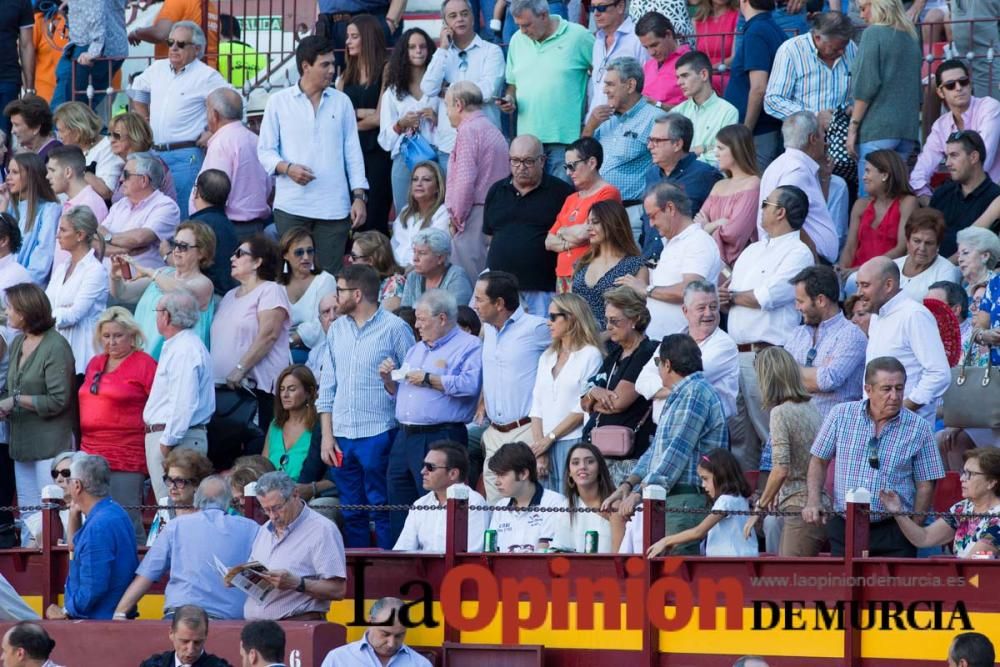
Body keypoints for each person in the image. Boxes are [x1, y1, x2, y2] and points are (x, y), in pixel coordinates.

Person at [803, 357, 945, 557]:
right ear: (868, 390)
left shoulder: (919, 428)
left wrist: (914, 526)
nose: (894, 396)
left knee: (893, 587)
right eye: (886, 389)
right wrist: (813, 500)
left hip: (894, 527)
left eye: (899, 388)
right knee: (846, 586)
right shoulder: (841, 415)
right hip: (846, 524)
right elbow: (819, 460)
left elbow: (926, 483)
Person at [602, 334, 728, 555]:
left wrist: (639, 493)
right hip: (673, 498)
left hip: (687, 499)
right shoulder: (684, 393)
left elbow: (676, 451)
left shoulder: (694, 393)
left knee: (677, 576)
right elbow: (657, 450)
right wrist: (627, 485)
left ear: (667, 365)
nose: (658, 368)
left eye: (657, 363)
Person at [318, 264, 414, 548]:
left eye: (340, 291)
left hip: (380, 430)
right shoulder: (336, 330)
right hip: (342, 435)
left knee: (381, 505)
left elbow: (410, 383)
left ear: (357, 294)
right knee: (351, 510)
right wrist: (327, 434)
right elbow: (327, 386)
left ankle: (387, 573)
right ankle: (358, 576)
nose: (336, 298)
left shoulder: (396, 328)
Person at [721, 185, 814, 471]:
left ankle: (786, 502)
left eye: (765, 204)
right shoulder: (752, 250)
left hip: (769, 355)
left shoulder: (799, 252)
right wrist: (727, 299)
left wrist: (734, 297)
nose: (760, 209)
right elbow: (732, 297)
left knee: (772, 436)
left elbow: (768, 297)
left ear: (780, 211)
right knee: (739, 441)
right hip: (736, 353)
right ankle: (746, 506)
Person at [260, 36, 368, 276]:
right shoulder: (278, 102)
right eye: (325, 65)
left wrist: (359, 195)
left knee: (329, 276)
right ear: (305, 66)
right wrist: (287, 168)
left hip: (334, 208)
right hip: (292, 206)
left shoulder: (342, 102)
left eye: (333, 64)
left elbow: (353, 152)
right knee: (292, 275)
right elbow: (265, 150)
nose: (332, 70)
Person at [382, 289, 482, 540]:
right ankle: (404, 561)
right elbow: (402, 393)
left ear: (442, 318)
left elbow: (469, 385)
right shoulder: (416, 349)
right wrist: (388, 379)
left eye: (422, 319)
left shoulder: (469, 345)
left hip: (440, 435)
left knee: (438, 503)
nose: (416, 325)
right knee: (399, 501)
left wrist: (429, 379)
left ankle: (443, 559)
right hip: (405, 434)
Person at [114, 477, 260, 621]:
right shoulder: (251, 528)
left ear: (197, 499)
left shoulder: (176, 526)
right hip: (229, 621)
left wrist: (120, 613)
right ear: (228, 501)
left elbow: (147, 575)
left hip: (181, 617)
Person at [128, 21, 228, 218]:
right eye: (170, 42)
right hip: (155, 154)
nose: (173, 48)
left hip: (186, 155)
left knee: (182, 213)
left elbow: (235, 102)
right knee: (152, 212)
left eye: (181, 44)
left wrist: (213, 131)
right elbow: (137, 88)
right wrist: (143, 119)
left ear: (197, 49)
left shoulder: (206, 76)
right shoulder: (158, 68)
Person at [1, 283, 75, 544]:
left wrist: (16, 400)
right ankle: (32, 568)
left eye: (11, 308)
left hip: (50, 445)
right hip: (23, 444)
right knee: (30, 515)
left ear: (26, 311)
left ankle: (55, 573)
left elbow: (59, 399)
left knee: (53, 513)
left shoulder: (56, 346)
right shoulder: (19, 341)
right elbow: (11, 387)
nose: (7, 312)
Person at [78, 307, 156, 543]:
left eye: (118, 335)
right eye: (106, 336)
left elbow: (159, 404)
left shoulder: (144, 363)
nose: (111, 341)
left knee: (126, 517)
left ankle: (138, 572)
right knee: (92, 516)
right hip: (90, 452)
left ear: (132, 335)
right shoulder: (95, 362)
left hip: (126, 453)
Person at [474, 271, 551, 502]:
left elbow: (581, 338)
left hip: (526, 430)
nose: (474, 305)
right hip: (494, 431)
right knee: (495, 510)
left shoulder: (537, 328)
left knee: (530, 505)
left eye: (479, 299)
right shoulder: (487, 328)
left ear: (499, 304)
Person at [744, 347, 826, 556]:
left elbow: (781, 468)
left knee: (789, 581)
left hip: (798, 507)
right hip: (814, 504)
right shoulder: (811, 406)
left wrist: (758, 509)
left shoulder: (780, 412)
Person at [502, 0, 594, 182]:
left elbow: (602, 73)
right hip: (528, 144)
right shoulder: (516, 40)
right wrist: (509, 99)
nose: (522, 31)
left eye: (527, 25)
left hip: (566, 141)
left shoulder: (578, 36)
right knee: (532, 204)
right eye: (519, 25)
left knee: (562, 200)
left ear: (544, 15)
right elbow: (512, 84)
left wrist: (589, 120)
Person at [211, 236, 291, 439]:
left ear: (258, 261)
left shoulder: (271, 290)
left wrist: (240, 368)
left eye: (240, 254)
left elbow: (269, 334)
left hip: (257, 391)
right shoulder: (229, 296)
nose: (231, 258)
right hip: (225, 390)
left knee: (255, 452)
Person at [484, 135, 574, 315]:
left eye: (528, 161)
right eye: (515, 161)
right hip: (499, 290)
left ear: (542, 161)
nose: (521, 167)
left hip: (541, 289)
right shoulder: (496, 190)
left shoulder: (562, 193)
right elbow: (490, 236)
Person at [858, 255, 951, 425]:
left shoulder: (914, 315)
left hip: (908, 428)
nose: (859, 293)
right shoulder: (876, 317)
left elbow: (939, 374)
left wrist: (901, 409)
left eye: (865, 285)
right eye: (858, 285)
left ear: (888, 285)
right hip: (875, 423)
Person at [580, 286, 658, 485]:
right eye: (607, 320)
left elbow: (618, 402)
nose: (608, 327)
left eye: (615, 321)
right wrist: (595, 392)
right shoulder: (614, 354)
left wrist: (595, 398)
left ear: (635, 320)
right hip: (602, 452)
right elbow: (584, 402)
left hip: (630, 457)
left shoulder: (647, 352)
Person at [636, 280, 740, 430]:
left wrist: (657, 390)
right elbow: (641, 381)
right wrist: (675, 388)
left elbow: (691, 381)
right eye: (701, 308)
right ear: (685, 311)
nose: (708, 313)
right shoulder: (672, 339)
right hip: (665, 428)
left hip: (705, 431)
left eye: (713, 307)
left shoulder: (724, 345)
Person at [44, 454, 137, 619]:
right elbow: (75, 547)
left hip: (98, 623)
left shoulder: (98, 526)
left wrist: (66, 611)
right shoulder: (116, 512)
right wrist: (74, 514)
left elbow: (93, 588)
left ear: (77, 486)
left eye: (69, 479)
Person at [244, 472, 346, 621]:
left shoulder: (322, 530)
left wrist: (297, 583)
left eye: (277, 507)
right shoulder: (265, 529)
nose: (272, 516)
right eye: (266, 510)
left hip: (297, 626)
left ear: (295, 495)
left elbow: (338, 590)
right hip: (258, 629)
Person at [527, 293, 603, 492]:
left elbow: (583, 405)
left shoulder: (590, 355)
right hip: (544, 444)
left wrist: (549, 439)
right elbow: (537, 405)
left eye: (553, 317)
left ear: (571, 318)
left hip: (574, 441)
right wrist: (539, 448)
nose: (548, 322)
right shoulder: (547, 356)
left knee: (571, 504)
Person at [144, 289, 215, 502]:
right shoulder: (181, 345)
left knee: (175, 509)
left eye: (157, 311)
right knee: (172, 509)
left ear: (166, 316)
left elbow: (184, 402)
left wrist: (166, 443)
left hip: (176, 439)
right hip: (175, 437)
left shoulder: (184, 349)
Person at [847, 0, 921, 198]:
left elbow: (865, 86)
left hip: (877, 128)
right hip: (907, 130)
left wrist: (853, 127)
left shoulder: (874, 34)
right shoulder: (911, 36)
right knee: (895, 200)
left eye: (864, 8)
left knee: (869, 202)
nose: (862, 15)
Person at [112, 221, 215, 359]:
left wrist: (150, 273)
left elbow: (182, 292)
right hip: (141, 357)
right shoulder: (163, 272)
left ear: (202, 252)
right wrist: (115, 277)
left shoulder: (204, 283)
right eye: (175, 244)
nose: (176, 250)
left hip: (176, 360)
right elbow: (123, 293)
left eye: (183, 246)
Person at [635, 182, 721, 341]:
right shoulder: (673, 243)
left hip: (684, 347)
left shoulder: (697, 241)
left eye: (653, 216)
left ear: (670, 208)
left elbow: (689, 290)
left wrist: (646, 289)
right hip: (661, 343)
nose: (651, 224)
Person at [587, 57, 664, 233]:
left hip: (630, 215)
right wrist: (590, 126)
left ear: (630, 85)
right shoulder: (602, 118)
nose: (605, 90)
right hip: (597, 212)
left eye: (610, 84)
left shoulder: (655, 118)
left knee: (629, 262)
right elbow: (582, 157)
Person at [443, 81, 509, 282]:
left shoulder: (468, 130)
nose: (446, 113)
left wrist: (457, 218)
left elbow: (464, 181)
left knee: (468, 281)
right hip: (493, 211)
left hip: (472, 214)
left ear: (459, 104)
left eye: (447, 106)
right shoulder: (492, 128)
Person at [379, 27, 449, 214]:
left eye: (423, 46)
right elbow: (385, 142)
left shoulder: (440, 87)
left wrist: (435, 119)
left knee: (441, 212)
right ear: (404, 52)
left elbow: (453, 127)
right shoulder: (392, 93)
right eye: (412, 47)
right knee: (405, 213)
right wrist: (401, 124)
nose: (418, 50)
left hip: (436, 156)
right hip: (405, 156)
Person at [882, 448, 1000, 558]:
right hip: (965, 577)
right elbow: (925, 538)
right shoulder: (963, 508)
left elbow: (976, 560)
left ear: (991, 482)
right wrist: (898, 513)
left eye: (970, 474)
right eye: (963, 472)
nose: (962, 478)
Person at [910, 60, 1000, 201]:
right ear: (940, 92)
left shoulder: (989, 107)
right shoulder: (941, 126)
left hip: (994, 195)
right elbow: (919, 174)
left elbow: (983, 162)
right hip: (961, 197)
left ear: (969, 84)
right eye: (950, 85)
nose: (958, 88)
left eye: (963, 82)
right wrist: (932, 206)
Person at [756, 111, 839, 263]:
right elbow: (784, 218)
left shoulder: (784, 164)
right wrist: (813, 257)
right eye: (822, 135)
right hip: (804, 260)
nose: (826, 142)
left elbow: (815, 211)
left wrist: (824, 177)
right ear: (812, 139)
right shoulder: (797, 171)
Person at [784, 266, 867, 419]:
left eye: (800, 301)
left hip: (830, 433)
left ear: (821, 300)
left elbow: (827, 381)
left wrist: (789, 370)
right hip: (794, 427)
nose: (797, 307)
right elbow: (778, 378)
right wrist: (816, 372)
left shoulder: (852, 335)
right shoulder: (798, 333)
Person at [190, 88, 271, 237]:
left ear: (214, 115)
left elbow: (212, 191)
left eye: (206, 110)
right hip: (256, 225)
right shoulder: (255, 140)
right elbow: (269, 185)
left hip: (227, 227)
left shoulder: (222, 142)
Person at [647, 447, 757, 557]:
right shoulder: (740, 499)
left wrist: (666, 541)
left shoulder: (725, 501)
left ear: (721, 476)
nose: (703, 485)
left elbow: (699, 532)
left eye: (705, 479)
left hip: (729, 564)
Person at [546, 138, 621, 294]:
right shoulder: (571, 199)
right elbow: (548, 241)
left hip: (589, 275)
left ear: (592, 163)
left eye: (572, 166)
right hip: (563, 276)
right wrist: (571, 237)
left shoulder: (608, 193)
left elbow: (589, 232)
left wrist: (562, 231)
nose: (568, 172)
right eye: (566, 167)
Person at [338, 16, 391, 236]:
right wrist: (363, 113)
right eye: (347, 37)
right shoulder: (344, 75)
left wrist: (352, 116)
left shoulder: (386, 69)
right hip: (350, 151)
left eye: (354, 37)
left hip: (377, 151)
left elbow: (381, 118)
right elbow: (338, 118)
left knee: (375, 213)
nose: (348, 42)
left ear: (367, 38)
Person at [641, 114, 722, 252]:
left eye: (656, 141)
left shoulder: (706, 175)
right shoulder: (651, 174)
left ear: (677, 144)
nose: (650, 146)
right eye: (650, 140)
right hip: (648, 262)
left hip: (685, 261)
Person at [421, 0, 505, 130]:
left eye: (464, 14)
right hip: (448, 142)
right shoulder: (441, 55)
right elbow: (428, 88)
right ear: (445, 23)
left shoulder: (492, 51)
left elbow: (487, 92)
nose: (460, 19)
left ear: (472, 17)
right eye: (453, 16)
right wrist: (443, 48)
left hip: (484, 139)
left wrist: (448, 90)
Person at [723, 0, 786, 170]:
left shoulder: (757, 31)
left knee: (756, 189)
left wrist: (746, 131)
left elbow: (758, 88)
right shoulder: (770, 27)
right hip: (764, 129)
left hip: (758, 133)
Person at [45, 207, 108, 377]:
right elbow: (47, 305)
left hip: (82, 355)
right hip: (56, 351)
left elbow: (75, 314)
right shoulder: (61, 268)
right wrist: (61, 310)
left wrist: (49, 315)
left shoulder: (95, 271)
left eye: (63, 230)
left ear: (80, 235)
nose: (58, 235)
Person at [393, 440, 489, 552]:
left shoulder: (474, 502)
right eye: (423, 465)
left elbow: (473, 553)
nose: (422, 471)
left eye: (430, 467)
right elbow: (403, 550)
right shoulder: (420, 504)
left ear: (453, 473)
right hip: (425, 569)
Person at [762, 12, 857, 125]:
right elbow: (773, 101)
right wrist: (814, 116)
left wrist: (853, 107)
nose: (842, 52)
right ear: (817, 38)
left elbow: (857, 91)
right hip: (805, 133)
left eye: (844, 47)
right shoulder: (791, 50)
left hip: (842, 132)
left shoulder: (851, 47)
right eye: (835, 49)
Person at [99, 152, 181, 271]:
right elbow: (94, 240)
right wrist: (125, 250)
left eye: (126, 174)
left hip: (142, 283)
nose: (121, 179)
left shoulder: (166, 206)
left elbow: (139, 238)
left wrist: (107, 237)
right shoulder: (119, 205)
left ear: (143, 180)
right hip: (108, 279)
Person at [571, 201, 647, 329]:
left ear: (612, 223)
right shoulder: (582, 262)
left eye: (595, 222)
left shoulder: (636, 265)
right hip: (579, 339)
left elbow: (638, 313)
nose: (589, 228)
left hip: (615, 341)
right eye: (588, 223)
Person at [838, 150, 915, 274]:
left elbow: (902, 247)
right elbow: (850, 247)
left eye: (868, 171)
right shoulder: (860, 205)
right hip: (856, 275)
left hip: (889, 274)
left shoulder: (907, 203)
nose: (864, 177)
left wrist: (862, 270)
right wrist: (842, 270)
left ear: (885, 175)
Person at [929, 130, 1000, 259]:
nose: (947, 163)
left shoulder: (996, 198)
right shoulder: (942, 193)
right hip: (931, 270)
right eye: (947, 156)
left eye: (954, 155)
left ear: (973, 157)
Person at [696, 124, 760, 266]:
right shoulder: (719, 185)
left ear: (737, 150)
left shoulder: (753, 184)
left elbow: (734, 233)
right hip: (709, 259)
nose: (716, 154)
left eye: (720, 148)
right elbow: (696, 225)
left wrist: (707, 227)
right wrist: (717, 224)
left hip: (736, 267)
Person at [487, 441, 566, 552]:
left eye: (502, 474)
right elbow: (492, 553)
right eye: (496, 475)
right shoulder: (500, 506)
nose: (497, 482)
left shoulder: (555, 502)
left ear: (523, 474)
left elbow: (545, 553)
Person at [50, 0, 126, 109]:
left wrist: (95, 49)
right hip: (112, 45)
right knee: (82, 109)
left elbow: (94, 6)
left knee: (67, 110)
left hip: (90, 47)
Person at [278, 228, 336, 363]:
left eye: (310, 251)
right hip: (280, 346)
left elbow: (320, 323)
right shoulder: (277, 284)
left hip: (313, 350)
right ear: (285, 255)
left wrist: (289, 341)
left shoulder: (325, 280)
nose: (305, 257)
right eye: (299, 252)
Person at [1, 152, 60, 285]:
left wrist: (21, 287)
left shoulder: (49, 209)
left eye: (15, 172)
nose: (8, 177)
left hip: (25, 289)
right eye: (8, 171)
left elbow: (43, 255)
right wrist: (3, 207)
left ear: (31, 175)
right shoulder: (9, 205)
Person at [320, 597, 432, 667]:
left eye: (399, 635)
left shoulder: (421, 664)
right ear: (370, 622)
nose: (391, 643)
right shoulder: (338, 659)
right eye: (385, 634)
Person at [674, 50, 739, 168]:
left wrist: (687, 155)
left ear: (704, 74)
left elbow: (721, 158)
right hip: (678, 180)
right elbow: (669, 155)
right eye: (678, 77)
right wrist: (703, 149)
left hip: (712, 179)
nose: (679, 82)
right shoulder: (677, 112)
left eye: (685, 76)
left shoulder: (728, 111)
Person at [51, 103, 123, 200]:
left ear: (78, 131)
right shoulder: (73, 150)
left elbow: (106, 192)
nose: (59, 136)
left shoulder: (107, 147)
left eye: (62, 131)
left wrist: (79, 171)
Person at [553, 442, 614, 552]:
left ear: (600, 468)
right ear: (569, 472)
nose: (582, 467)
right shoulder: (565, 507)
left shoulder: (615, 505)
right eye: (575, 463)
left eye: (590, 462)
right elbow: (560, 549)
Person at [589, 0, 648, 114]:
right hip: (596, 123)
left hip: (626, 122)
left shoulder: (637, 38)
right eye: (592, 8)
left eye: (601, 8)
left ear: (620, 6)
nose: (596, 13)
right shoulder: (598, 40)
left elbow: (647, 86)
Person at [892, 209, 963, 301]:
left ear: (938, 245)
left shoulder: (946, 271)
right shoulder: (893, 266)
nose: (922, 248)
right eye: (917, 241)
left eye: (929, 243)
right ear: (908, 241)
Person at [188, 172, 240, 296]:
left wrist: (165, 252)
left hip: (204, 296)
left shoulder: (195, 227)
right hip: (228, 294)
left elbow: (183, 262)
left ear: (197, 192)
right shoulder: (229, 225)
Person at [264, 366, 320, 480]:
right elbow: (262, 467)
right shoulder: (275, 425)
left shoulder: (320, 426)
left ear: (309, 392)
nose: (284, 395)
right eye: (281, 389)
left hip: (305, 494)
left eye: (291, 389)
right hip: (271, 493)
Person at [148, 449, 214, 546]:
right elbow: (151, 546)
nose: (172, 487)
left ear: (196, 484)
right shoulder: (165, 503)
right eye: (170, 480)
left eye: (180, 481)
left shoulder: (209, 511)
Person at [107, 112, 178, 203]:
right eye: (110, 135)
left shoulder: (149, 165)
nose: (112, 140)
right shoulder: (126, 164)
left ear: (134, 136)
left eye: (117, 135)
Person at [390, 161, 449, 269]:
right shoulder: (405, 212)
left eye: (426, 179)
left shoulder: (443, 213)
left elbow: (434, 250)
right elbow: (394, 245)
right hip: (396, 270)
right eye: (415, 179)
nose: (419, 183)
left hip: (422, 272)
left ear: (437, 187)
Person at [137, 605, 232, 667]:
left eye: (197, 642)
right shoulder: (153, 665)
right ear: (171, 633)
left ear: (206, 635)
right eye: (184, 641)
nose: (190, 650)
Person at [399, 228, 473, 308]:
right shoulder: (413, 277)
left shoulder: (457, 276)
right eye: (414, 252)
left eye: (422, 253)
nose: (415, 258)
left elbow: (457, 316)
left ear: (440, 258)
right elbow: (405, 312)